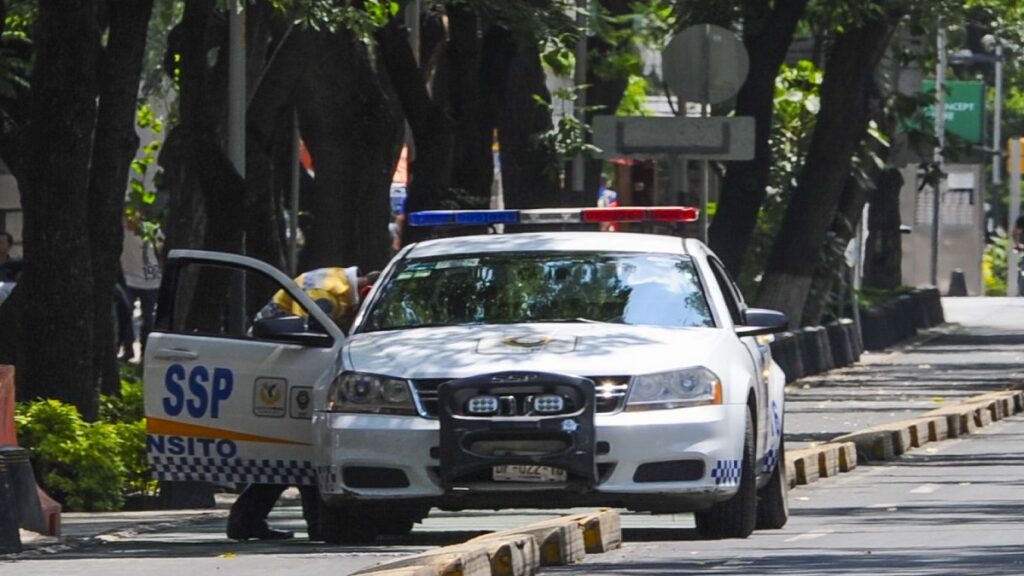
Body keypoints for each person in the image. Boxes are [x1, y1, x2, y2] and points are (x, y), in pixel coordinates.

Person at [227, 266, 377, 542]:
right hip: (278, 368)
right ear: (366, 291)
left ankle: (246, 519)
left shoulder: (336, 277)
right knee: (307, 449)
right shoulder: (328, 295)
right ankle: (316, 524)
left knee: (290, 452)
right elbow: (317, 341)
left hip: (278, 361)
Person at [120, 212, 162, 360]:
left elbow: (160, 247)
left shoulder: (149, 228)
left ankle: (146, 353)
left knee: (148, 319)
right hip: (129, 279)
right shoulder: (119, 229)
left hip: (150, 281)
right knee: (125, 314)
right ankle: (128, 350)